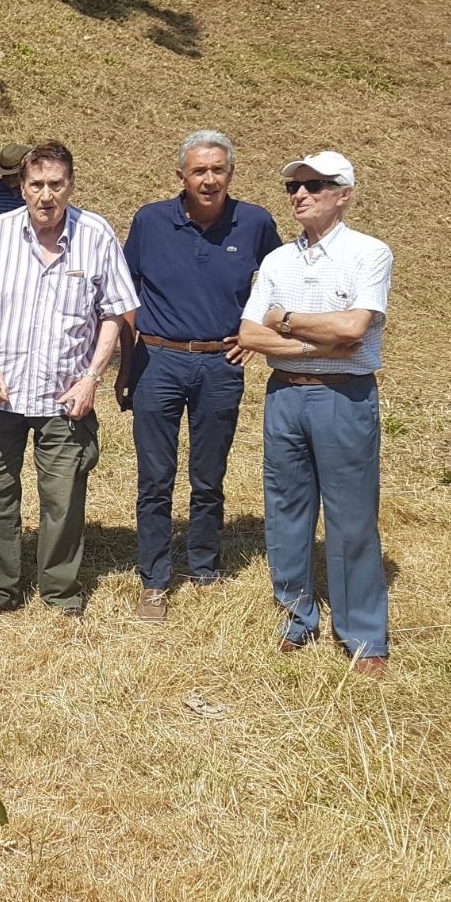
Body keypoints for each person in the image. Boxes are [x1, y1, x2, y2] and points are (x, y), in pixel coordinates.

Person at [0, 140, 137, 618]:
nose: (46, 195)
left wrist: (92, 378)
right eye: (36, 184)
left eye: (56, 185)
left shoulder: (96, 235)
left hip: (66, 396)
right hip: (1, 391)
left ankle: (59, 589)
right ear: (21, 187)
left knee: (63, 497)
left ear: (71, 186)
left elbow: (115, 312)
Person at [238, 151, 392, 676]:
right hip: (285, 394)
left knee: (351, 517)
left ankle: (364, 634)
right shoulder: (279, 260)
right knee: (286, 507)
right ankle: (296, 615)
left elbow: (354, 330)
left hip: (343, 398)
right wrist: (307, 341)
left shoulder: (370, 253)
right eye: (294, 188)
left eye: (315, 185)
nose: (300, 195)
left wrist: (284, 320)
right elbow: (248, 334)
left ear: (343, 194)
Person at [118, 130, 281, 622]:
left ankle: (205, 569)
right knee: (155, 478)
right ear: (181, 177)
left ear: (231, 173)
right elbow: (125, 294)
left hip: (220, 365)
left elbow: (281, 283)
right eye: (199, 171)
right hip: (158, 362)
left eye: (218, 170)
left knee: (208, 477)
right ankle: (154, 580)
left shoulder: (254, 223)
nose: (209, 179)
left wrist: (257, 333)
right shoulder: (150, 221)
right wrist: (127, 364)